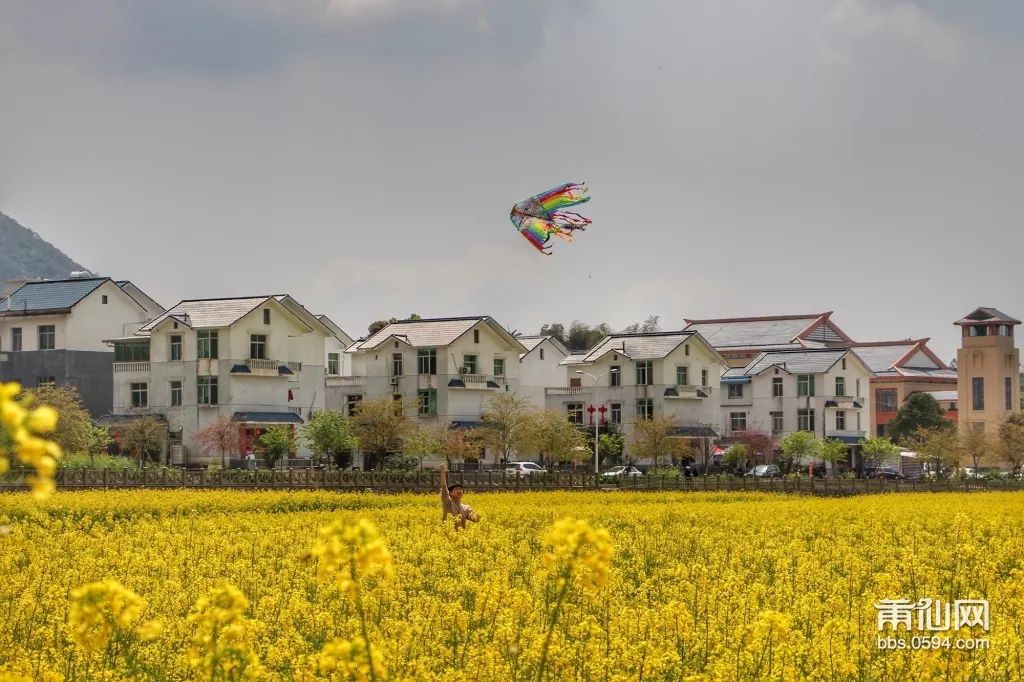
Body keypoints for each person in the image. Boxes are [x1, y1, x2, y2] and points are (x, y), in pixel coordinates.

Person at [440, 463, 479, 530]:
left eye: (460, 489)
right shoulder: (448, 503)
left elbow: (475, 520)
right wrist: (443, 473)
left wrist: (479, 517)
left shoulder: (466, 508)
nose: (459, 491)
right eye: (456, 489)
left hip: (461, 537)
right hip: (448, 536)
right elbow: (444, 490)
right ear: (450, 493)